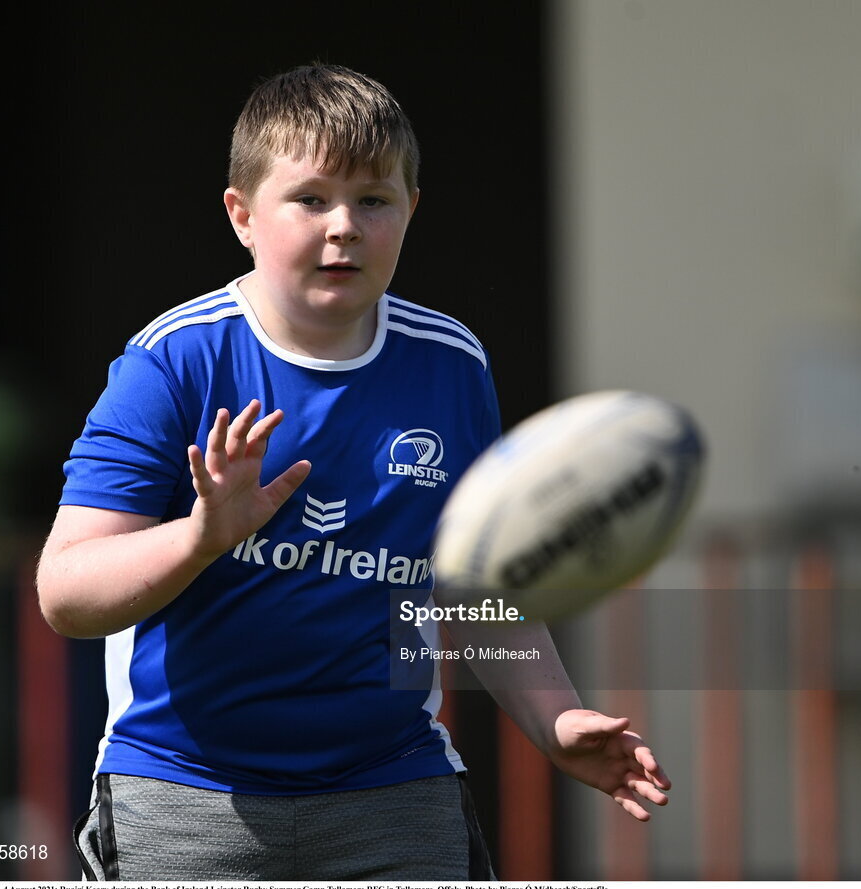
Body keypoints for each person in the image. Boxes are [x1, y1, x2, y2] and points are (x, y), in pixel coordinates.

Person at [35, 63, 670, 881]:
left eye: (374, 199)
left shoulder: (451, 366)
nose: (344, 226)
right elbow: (65, 592)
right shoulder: (175, 360)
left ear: (411, 210)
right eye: (310, 198)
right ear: (243, 215)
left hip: (393, 789)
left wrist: (557, 720)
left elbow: (476, 588)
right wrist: (201, 536)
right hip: (186, 795)